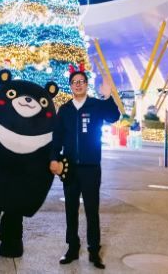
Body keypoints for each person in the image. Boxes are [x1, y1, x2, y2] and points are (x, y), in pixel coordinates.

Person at [50, 67, 120, 269]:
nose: (78, 84)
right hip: (69, 167)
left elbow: (113, 117)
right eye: (75, 82)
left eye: (81, 81)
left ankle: (93, 251)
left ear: (86, 85)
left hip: (91, 167)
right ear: (71, 86)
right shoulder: (65, 110)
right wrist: (54, 158)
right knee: (70, 209)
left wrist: (107, 96)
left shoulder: (96, 105)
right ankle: (72, 248)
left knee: (92, 210)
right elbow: (57, 138)